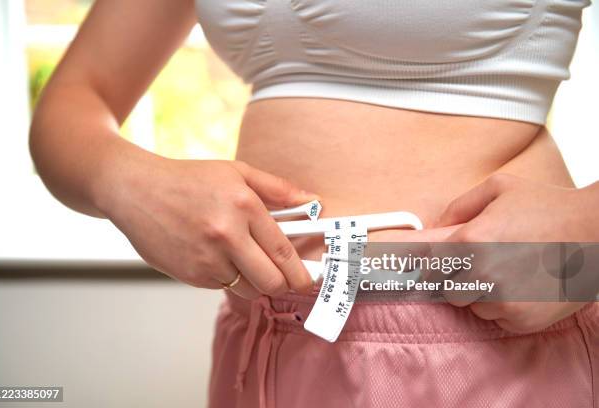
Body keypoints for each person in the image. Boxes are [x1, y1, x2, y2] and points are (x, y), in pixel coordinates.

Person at [29, 0, 598, 407]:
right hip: (262, 339)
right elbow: (78, 96)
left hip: (498, 345)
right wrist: (131, 180)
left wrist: (589, 233)